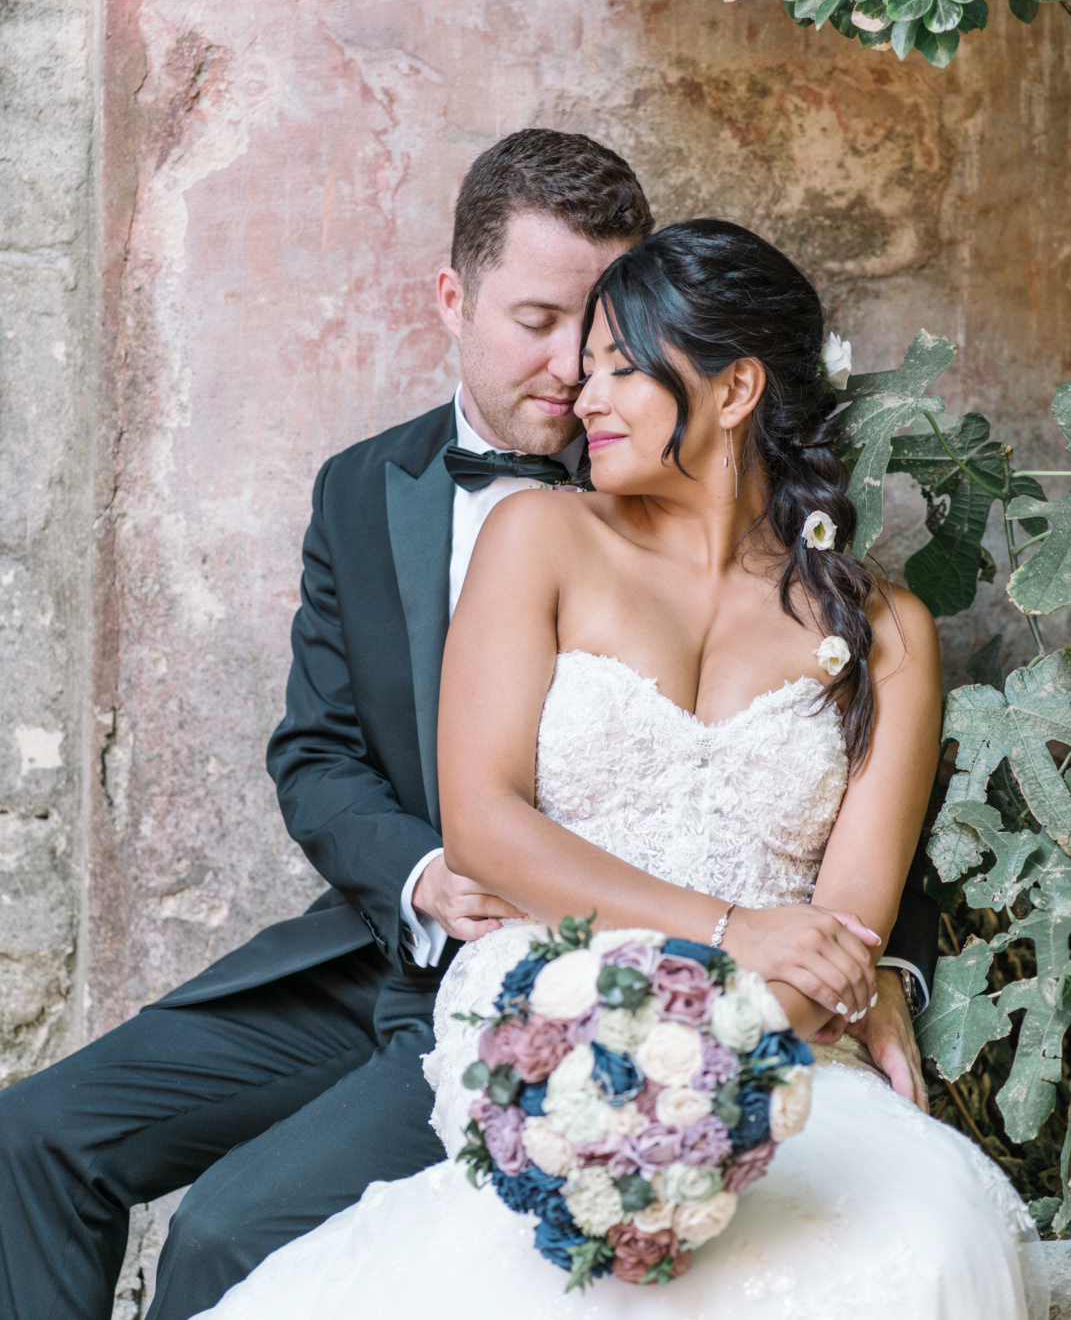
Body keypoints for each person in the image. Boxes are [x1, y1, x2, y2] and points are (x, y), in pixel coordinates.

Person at [0, 136, 932, 1320]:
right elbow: (319, 752)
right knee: (29, 1137)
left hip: (598, 986)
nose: (570, 375)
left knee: (228, 1233)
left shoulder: (791, 573)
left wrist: (861, 964)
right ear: (455, 299)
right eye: (538, 323)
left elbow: (814, 806)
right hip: (381, 954)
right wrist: (427, 872)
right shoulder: (365, 489)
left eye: (602, 338)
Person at [193, 219, 1046, 1320]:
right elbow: (487, 825)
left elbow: (843, 931)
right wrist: (713, 953)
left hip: (782, 1039)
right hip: (538, 1011)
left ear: (734, 390)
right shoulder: (538, 537)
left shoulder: (888, 628)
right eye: (581, 366)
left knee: (917, 1242)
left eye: (620, 369)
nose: (582, 398)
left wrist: (704, 1069)